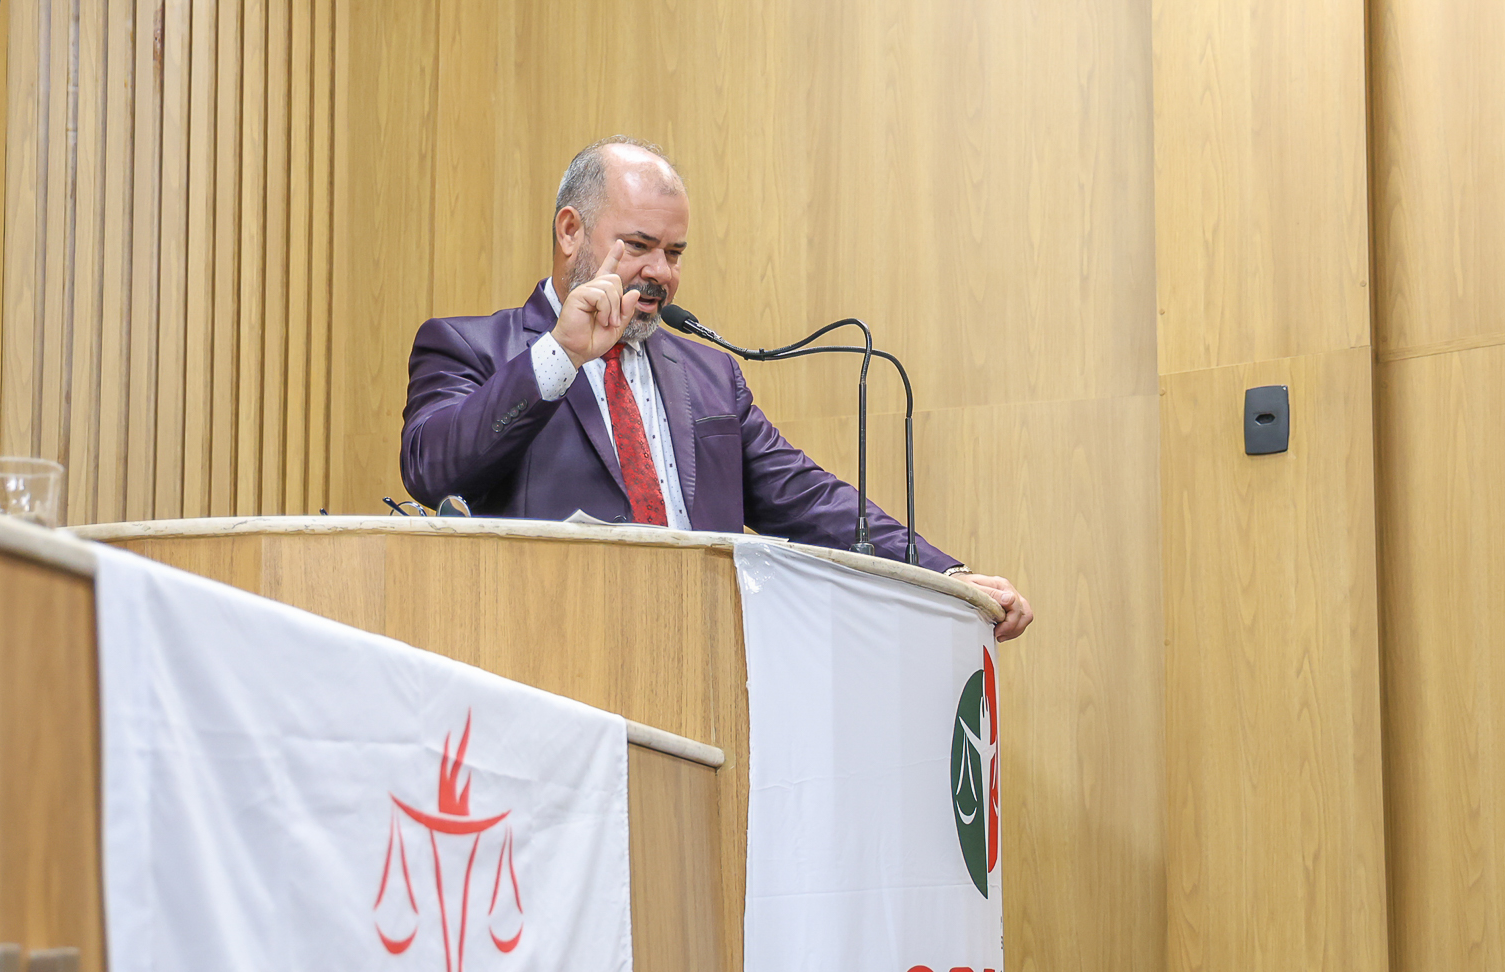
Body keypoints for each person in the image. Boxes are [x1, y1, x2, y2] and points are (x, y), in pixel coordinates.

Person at [401, 136, 1033, 641]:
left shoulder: (710, 376)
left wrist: (947, 575)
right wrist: (560, 355)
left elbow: (807, 497)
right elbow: (432, 469)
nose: (660, 272)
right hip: (554, 657)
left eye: (675, 253)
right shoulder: (471, 346)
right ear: (571, 231)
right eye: (640, 245)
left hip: (707, 664)